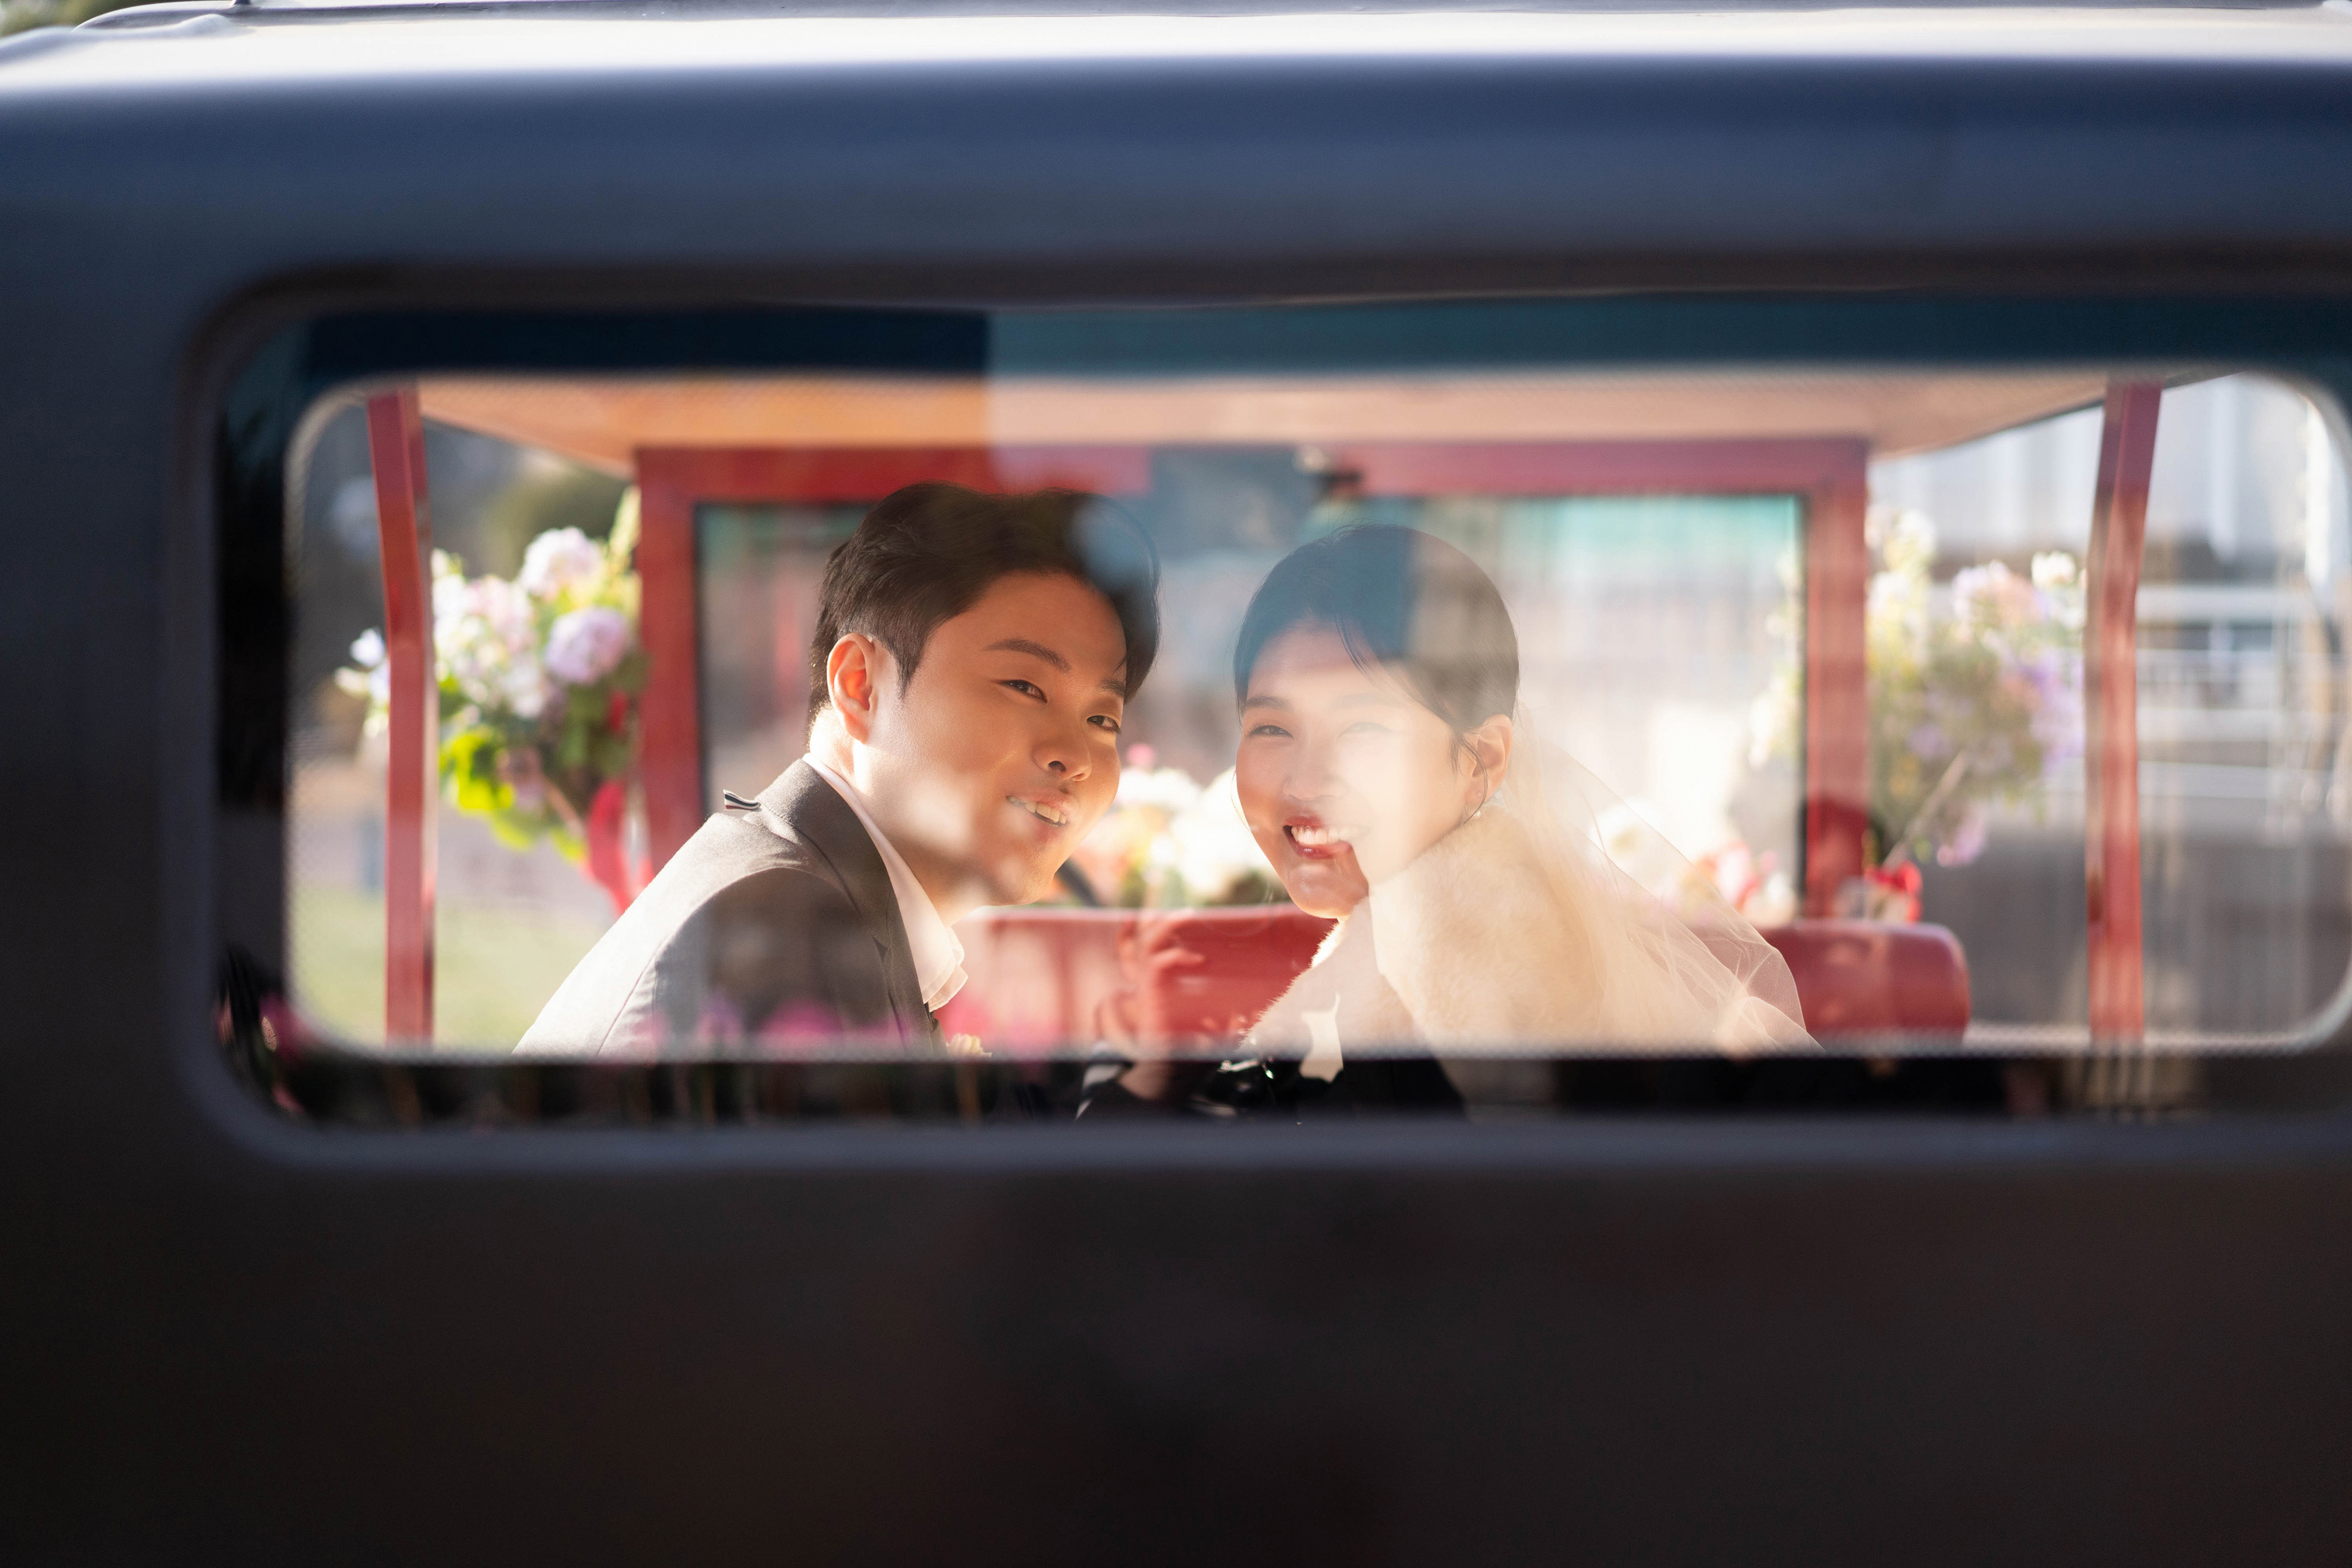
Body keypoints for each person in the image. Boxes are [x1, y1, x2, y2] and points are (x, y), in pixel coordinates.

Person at [1086, 523, 1807, 1116]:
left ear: (1481, 760)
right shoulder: (1448, 931)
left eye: (1364, 731)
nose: (1306, 778)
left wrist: (1146, 1093)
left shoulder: (1456, 980)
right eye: (1273, 728)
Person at [518, 483, 1158, 1056]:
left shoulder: (799, 888)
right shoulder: (792, 930)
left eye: (1103, 719)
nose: (1076, 758)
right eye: (1024, 686)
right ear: (860, 685)